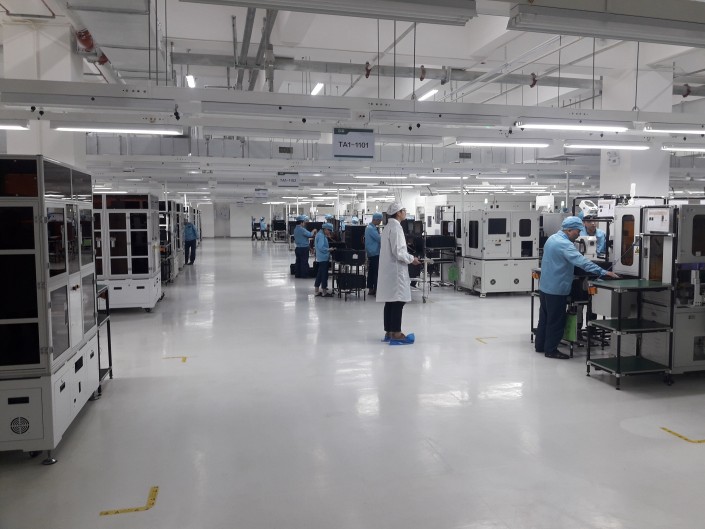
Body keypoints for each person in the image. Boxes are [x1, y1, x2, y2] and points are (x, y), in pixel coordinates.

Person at [535, 216, 619, 359]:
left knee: (545, 318)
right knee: (556, 321)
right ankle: (551, 350)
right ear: (569, 230)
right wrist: (603, 272)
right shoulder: (564, 244)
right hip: (557, 289)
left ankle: (540, 346)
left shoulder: (552, 239)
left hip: (545, 287)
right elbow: (582, 262)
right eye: (577, 231)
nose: (579, 234)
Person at [377, 202, 420, 345]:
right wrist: (412, 259)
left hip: (389, 271)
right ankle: (396, 333)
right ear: (398, 213)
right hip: (396, 271)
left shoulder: (387, 227)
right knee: (398, 302)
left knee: (390, 301)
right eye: (404, 210)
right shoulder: (396, 228)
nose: (405, 212)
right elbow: (399, 252)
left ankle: (389, 332)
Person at [314, 223, 334, 297]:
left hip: (321, 257)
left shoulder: (320, 234)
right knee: (324, 275)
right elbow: (321, 247)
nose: (329, 232)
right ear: (325, 229)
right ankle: (324, 292)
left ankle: (316, 291)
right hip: (323, 258)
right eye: (329, 231)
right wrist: (329, 249)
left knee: (320, 274)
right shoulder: (321, 236)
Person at [364, 212, 383, 296]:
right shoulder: (371, 229)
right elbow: (379, 239)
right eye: (380, 220)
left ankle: (371, 289)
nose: (380, 222)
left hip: (371, 253)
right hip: (375, 253)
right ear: (376, 220)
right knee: (376, 272)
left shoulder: (370, 228)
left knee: (371, 272)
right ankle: (376, 290)